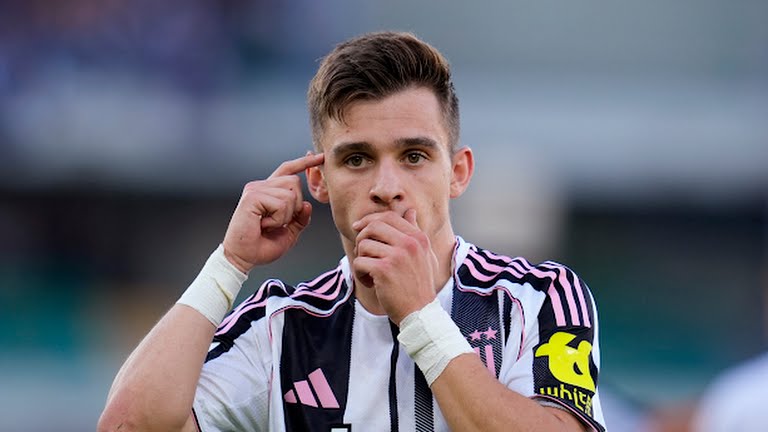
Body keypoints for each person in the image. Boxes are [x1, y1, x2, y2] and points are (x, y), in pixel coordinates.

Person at [98, 31, 606, 432]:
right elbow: (128, 425)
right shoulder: (281, 328)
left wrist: (421, 318)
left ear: (457, 173)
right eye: (357, 159)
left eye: (414, 156)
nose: (387, 188)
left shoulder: (540, 297)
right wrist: (228, 264)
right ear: (319, 180)